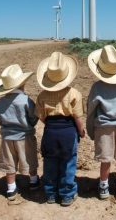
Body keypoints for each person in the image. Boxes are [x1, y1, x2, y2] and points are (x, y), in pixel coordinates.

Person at [35, 51, 85, 206]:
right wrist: (81, 131)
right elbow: (77, 117)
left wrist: (51, 124)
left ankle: (50, 193)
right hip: (68, 132)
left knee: (49, 163)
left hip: (50, 131)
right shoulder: (74, 93)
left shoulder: (42, 96)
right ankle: (67, 194)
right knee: (68, 163)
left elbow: (41, 116)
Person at [86, 44, 116, 201]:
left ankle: (103, 187)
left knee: (105, 159)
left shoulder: (97, 87)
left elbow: (91, 109)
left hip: (103, 126)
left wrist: (91, 129)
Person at [0, 64, 39, 201]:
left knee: (9, 162)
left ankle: (11, 188)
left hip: (7, 137)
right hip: (25, 136)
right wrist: (30, 125)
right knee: (30, 159)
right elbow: (33, 117)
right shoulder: (26, 100)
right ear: (22, 84)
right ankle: (34, 181)